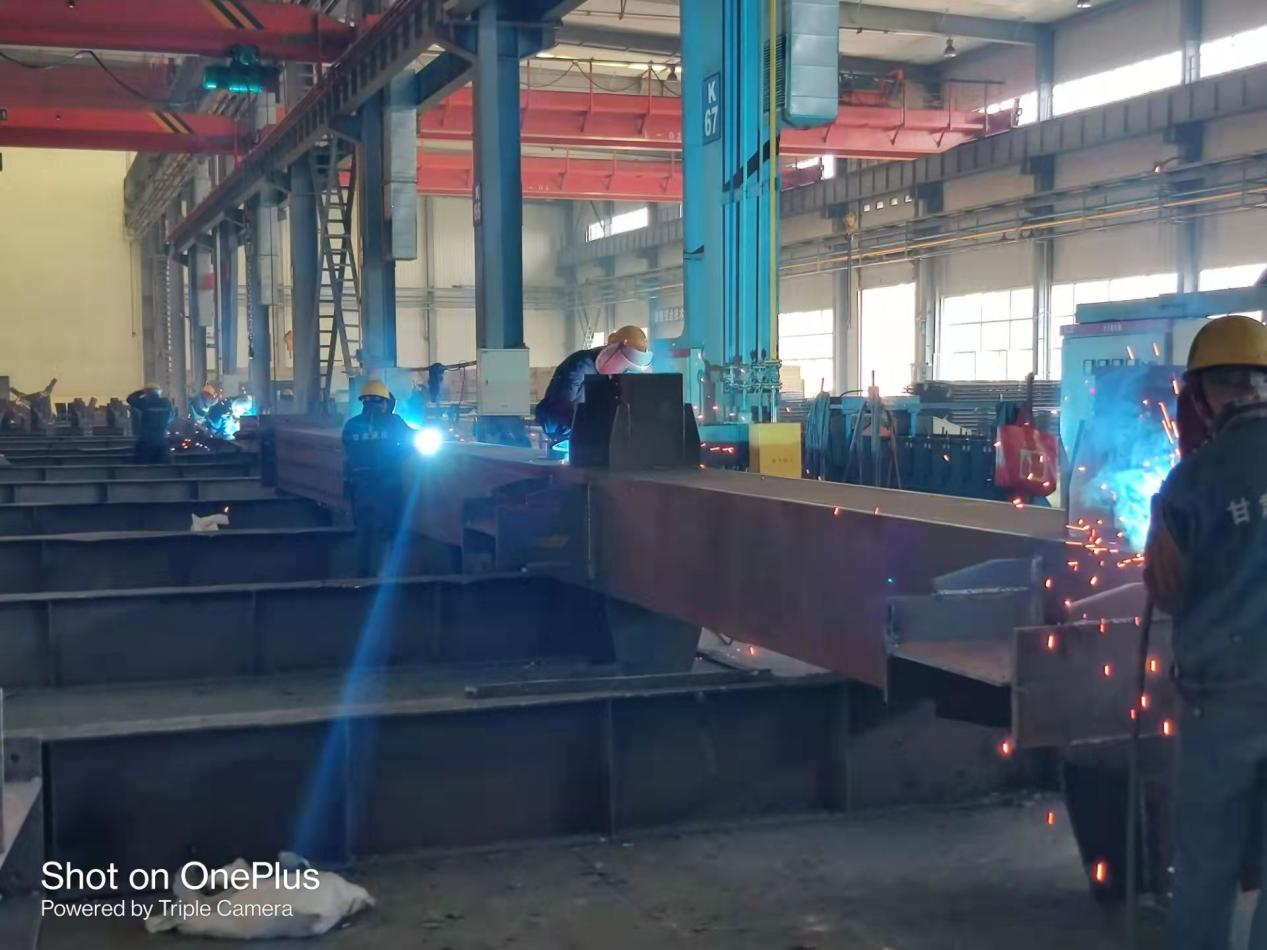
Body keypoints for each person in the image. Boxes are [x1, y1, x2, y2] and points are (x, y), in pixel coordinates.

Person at [1144, 314, 1267, 950]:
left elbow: (1167, 588)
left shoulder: (1189, 482)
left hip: (1221, 703)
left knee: (1205, 869)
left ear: (1202, 396)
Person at [341, 379, 413, 576]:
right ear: (384, 402)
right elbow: (412, 441)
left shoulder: (351, 425)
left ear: (363, 401)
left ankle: (362, 576)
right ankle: (386, 577)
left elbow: (347, 453)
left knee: (364, 531)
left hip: (361, 486)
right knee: (389, 530)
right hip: (388, 485)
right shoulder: (393, 422)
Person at [533, 325, 652, 442]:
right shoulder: (581, 364)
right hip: (565, 433)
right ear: (612, 343)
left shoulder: (611, 373)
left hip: (591, 435)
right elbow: (561, 406)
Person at [126, 383, 176, 464]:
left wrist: (141, 392)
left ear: (147, 393)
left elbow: (130, 399)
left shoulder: (144, 402)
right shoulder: (166, 402)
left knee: (142, 463)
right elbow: (172, 415)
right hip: (162, 438)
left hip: (146, 439)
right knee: (164, 465)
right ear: (159, 392)